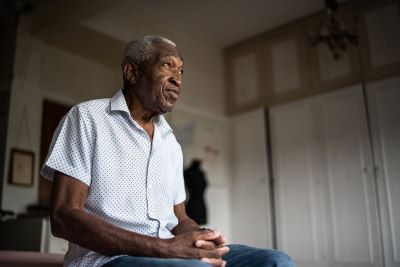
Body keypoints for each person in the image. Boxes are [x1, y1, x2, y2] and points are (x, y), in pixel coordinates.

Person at [41, 35, 295, 267]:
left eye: (181, 70)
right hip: (107, 260)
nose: (178, 79)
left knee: (275, 262)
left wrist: (199, 239)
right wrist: (163, 248)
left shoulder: (170, 142)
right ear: (132, 72)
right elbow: (64, 216)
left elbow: (179, 219)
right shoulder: (87, 118)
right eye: (167, 66)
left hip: (168, 253)